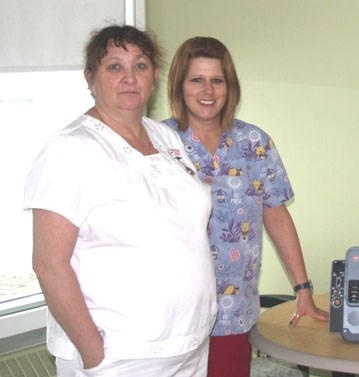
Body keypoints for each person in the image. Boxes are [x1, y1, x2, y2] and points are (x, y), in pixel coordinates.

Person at [24, 25, 217, 376]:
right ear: (90, 78)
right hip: (121, 356)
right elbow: (49, 264)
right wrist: (93, 353)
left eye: (140, 66)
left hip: (188, 345)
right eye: (114, 67)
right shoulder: (70, 150)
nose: (129, 77)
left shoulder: (166, 136)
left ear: (154, 77)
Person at [164, 36, 328, 377]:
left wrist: (303, 290)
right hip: (172, 315)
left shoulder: (254, 143)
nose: (207, 89)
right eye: (196, 79)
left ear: (230, 87)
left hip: (233, 312)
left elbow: (276, 213)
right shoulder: (158, 144)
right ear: (179, 86)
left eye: (217, 80)